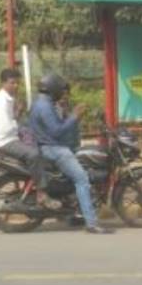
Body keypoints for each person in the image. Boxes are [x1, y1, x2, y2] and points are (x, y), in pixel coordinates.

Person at [29, 73, 112, 234]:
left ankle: (75, 212)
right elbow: (57, 131)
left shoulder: (40, 103)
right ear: (53, 89)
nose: (63, 94)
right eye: (60, 90)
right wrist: (74, 116)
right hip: (54, 149)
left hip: (50, 147)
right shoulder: (46, 106)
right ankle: (92, 223)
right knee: (82, 179)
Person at [0, 68, 53, 206]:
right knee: (33, 154)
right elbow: (7, 128)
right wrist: (20, 126)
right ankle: (41, 192)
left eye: (17, 83)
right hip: (3, 141)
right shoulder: (1, 102)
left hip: (7, 137)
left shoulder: (8, 100)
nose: (15, 86)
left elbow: (11, 122)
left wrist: (18, 115)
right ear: (3, 83)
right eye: (12, 83)